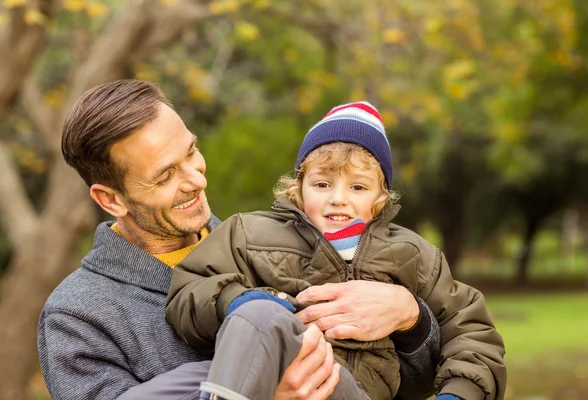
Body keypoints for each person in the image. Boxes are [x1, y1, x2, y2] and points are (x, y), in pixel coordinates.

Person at [37, 80, 442, 400]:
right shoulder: (77, 316)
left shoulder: (270, 242)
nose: (196, 180)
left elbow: (412, 384)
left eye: (191, 152)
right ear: (110, 199)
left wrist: (411, 318)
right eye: (165, 175)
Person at [166, 101, 507, 400]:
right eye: (322, 184)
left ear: (380, 199)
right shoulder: (249, 233)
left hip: (348, 391)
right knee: (185, 374)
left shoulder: (413, 254)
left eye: (358, 187)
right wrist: (238, 301)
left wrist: (458, 394)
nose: (338, 198)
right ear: (298, 189)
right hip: (273, 374)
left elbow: (472, 334)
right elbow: (191, 286)